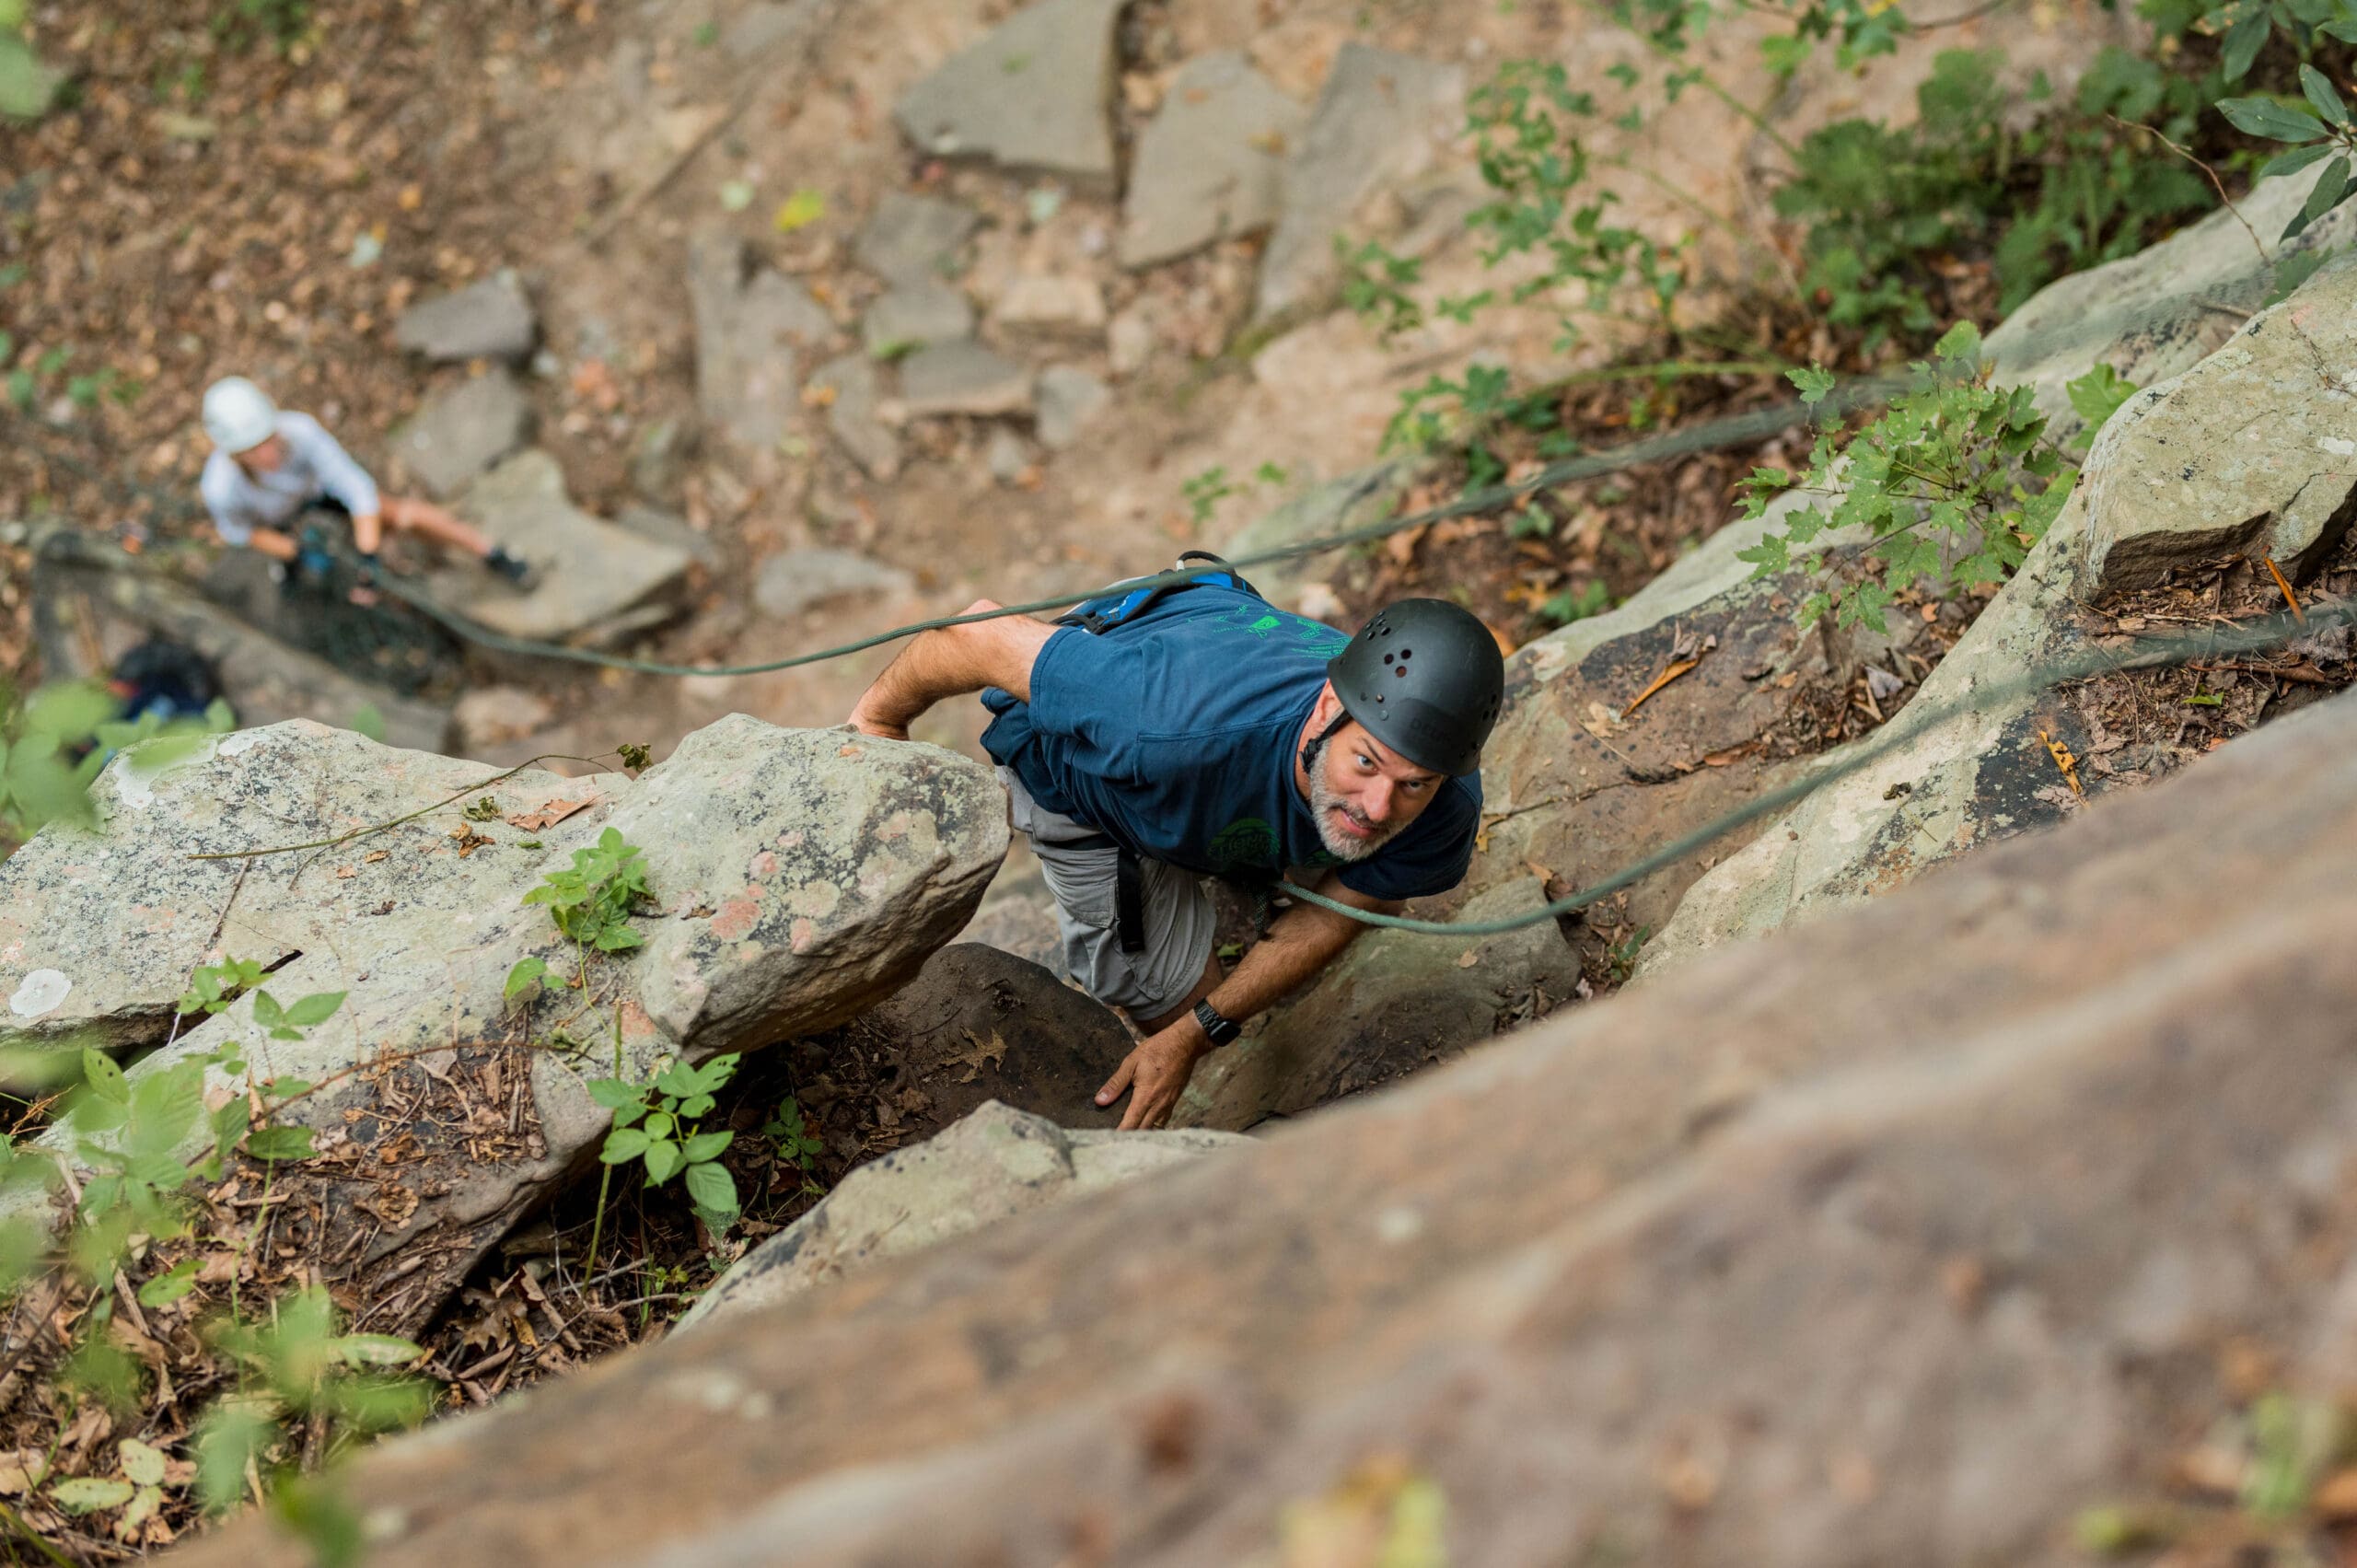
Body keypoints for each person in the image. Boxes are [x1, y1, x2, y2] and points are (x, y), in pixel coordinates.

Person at [849, 563, 1504, 1130]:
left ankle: (1243, 845)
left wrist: (1198, 1032)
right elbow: (976, 634)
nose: (1380, 806)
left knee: (1204, 1006)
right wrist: (877, 719)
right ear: (1328, 706)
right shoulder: (1159, 719)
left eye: (1413, 784)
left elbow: (1351, 903)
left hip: (1202, 662)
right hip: (1093, 767)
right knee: (1167, 996)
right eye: (1365, 762)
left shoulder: (1442, 798)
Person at [198, 376, 534, 591]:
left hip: (319, 494)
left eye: (268, 439)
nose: (268, 453)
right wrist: (295, 552)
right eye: (253, 450)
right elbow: (241, 530)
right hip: (280, 522)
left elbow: (354, 487)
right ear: (233, 453)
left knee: (402, 516)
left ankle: (489, 550)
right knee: (317, 576)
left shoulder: (300, 432)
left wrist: (368, 555)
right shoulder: (222, 488)